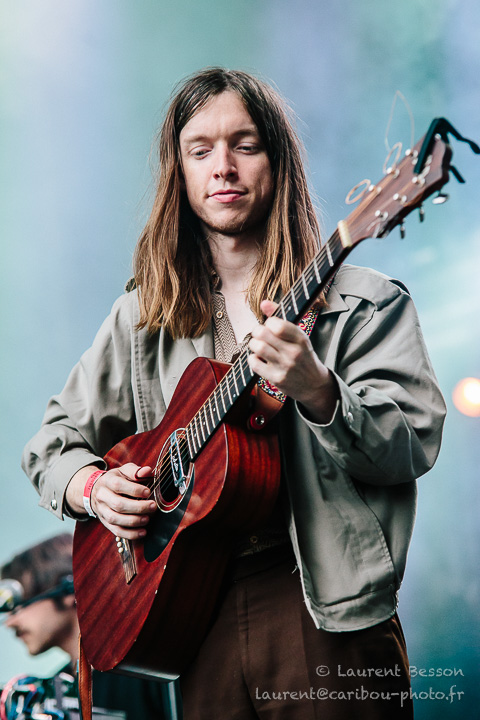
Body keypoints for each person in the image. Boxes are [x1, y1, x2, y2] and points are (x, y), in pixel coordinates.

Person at [22, 67, 446, 719]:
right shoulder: (142, 319)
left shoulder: (365, 304)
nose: (223, 167)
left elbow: (410, 446)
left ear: (277, 163)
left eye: (245, 145)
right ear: (180, 174)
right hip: (190, 615)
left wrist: (319, 391)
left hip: (322, 613)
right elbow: (51, 444)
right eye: (201, 150)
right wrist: (92, 488)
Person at [0, 533, 177, 719]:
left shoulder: (147, 665)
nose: (9, 623)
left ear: (68, 588)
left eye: (17, 607)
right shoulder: (53, 696)